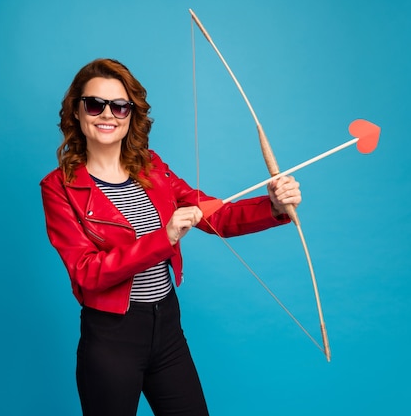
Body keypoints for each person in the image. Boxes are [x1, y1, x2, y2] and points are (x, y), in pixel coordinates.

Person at [40, 58, 302, 416]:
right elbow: (86, 271)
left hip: (167, 328)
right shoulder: (59, 188)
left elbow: (217, 215)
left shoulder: (151, 167)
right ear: (77, 111)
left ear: (131, 114)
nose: (107, 115)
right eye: (94, 104)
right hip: (112, 337)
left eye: (119, 106)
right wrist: (164, 238)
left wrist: (272, 205)